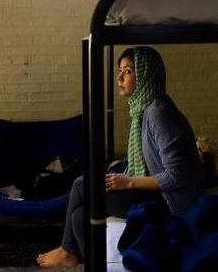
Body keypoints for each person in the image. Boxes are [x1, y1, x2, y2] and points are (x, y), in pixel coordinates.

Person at [36, 46, 204, 268]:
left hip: (167, 201)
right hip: (153, 191)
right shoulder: (144, 109)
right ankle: (86, 261)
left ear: (145, 74)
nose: (120, 77)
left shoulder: (158, 113)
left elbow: (177, 176)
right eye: (120, 71)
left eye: (128, 71)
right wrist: (121, 170)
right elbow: (146, 158)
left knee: (79, 185)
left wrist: (128, 182)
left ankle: (67, 250)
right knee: (79, 215)